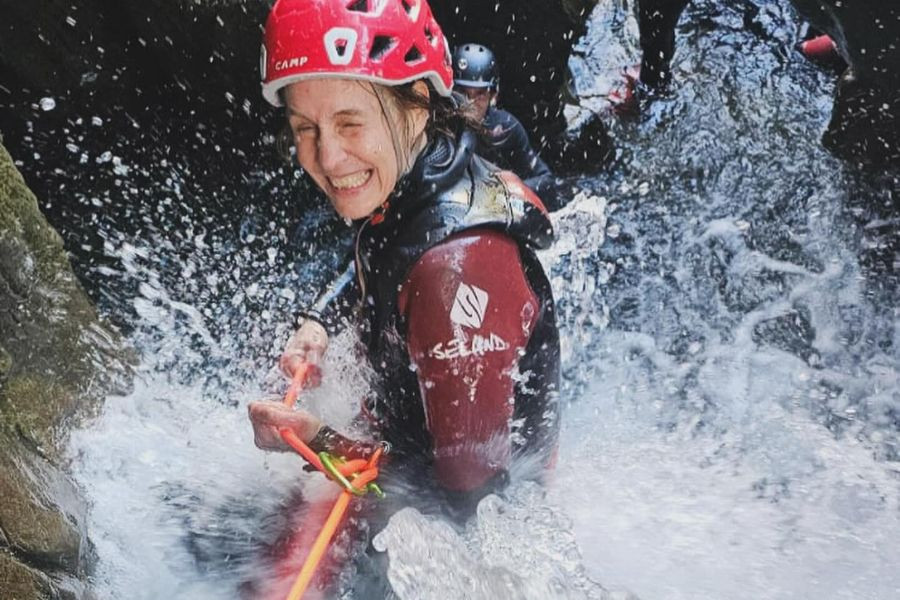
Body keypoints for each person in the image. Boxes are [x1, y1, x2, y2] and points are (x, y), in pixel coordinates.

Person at [249, 0, 559, 536]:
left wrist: (322, 444)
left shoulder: (457, 269)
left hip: (483, 530)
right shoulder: (424, 169)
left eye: (350, 123)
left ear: (417, 102)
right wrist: (320, 321)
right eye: (306, 128)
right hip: (424, 437)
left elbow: (468, 512)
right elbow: (387, 248)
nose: (327, 157)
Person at [451, 43, 562, 210]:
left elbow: (546, 181)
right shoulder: (437, 126)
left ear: (493, 96)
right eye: (463, 94)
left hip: (493, 203)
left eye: (479, 95)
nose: (470, 104)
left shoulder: (506, 129)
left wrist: (505, 190)